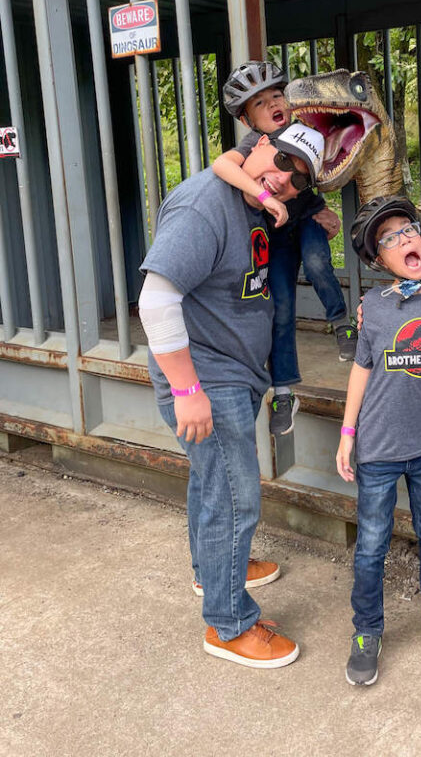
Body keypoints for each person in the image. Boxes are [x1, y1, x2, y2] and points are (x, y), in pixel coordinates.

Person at [138, 122, 324, 669]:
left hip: (232, 372)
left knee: (213, 485)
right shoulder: (206, 205)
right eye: (282, 159)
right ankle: (228, 623)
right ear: (258, 144)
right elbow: (155, 301)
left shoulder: (254, 202)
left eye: (298, 178)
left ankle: (214, 570)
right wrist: (188, 389)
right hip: (205, 375)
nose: (284, 178)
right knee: (236, 499)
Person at [336, 196, 421, 686]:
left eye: (408, 230)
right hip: (376, 449)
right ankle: (366, 631)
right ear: (380, 261)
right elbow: (361, 369)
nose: (403, 240)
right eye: (388, 240)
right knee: (371, 545)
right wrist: (347, 433)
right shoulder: (373, 305)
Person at [214, 61, 358, 438]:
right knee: (280, 310)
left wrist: (326, 210)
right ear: (249, 123)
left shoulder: (305, 129)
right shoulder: (253, 145)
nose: (272, 104)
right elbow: (221, 165)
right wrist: (263, 194)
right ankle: (282, 393)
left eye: (277, 95)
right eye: (259, 104)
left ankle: (341, 323)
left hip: (307, 221)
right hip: (275, 235)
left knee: (316, 263)